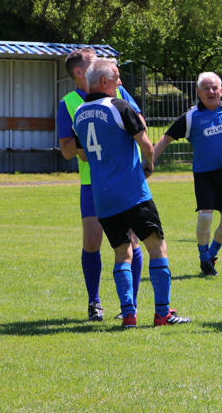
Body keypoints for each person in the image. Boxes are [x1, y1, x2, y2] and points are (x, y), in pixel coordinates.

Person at [72, 58, 191, 328]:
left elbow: (82, 155)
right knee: (156, 247)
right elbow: (146, 145)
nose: (120, 82)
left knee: (121, 252)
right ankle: (163, 313)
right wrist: (148, 165)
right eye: (117, 77)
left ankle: (128, 316)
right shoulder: (119, 106)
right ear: (104, 82)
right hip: (132, 192)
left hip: (102, 197)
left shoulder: (79, 113)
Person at [57, 47, 144, 321]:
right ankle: (94, 302)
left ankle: (131, 304)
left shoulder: (117, 91)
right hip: (92, 183)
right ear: (80, 72)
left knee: (132, 240)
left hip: (125, 179)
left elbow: (138, 123)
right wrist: (82, 145)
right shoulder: (68, 103)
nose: (102, 66)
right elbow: (68, 151)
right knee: (93, 241)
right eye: (94, 63)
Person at [153, 72, 222, 276]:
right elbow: (165, 139)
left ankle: (211, 254)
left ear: (221, 90)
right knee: (205, 216)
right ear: (198, 92)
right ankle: (204, 258)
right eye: (206, 88)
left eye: (214, 88)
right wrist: (150, 161)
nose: (211, 92)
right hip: (204, 174)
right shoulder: (191, 116)